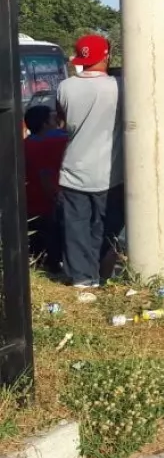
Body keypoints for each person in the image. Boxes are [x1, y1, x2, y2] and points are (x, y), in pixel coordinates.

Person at [56, 34, 124, 289]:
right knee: (105, 228)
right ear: (106, 56)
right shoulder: (119, 86)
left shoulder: (65, 87)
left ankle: (82, 280)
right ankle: (100, 273)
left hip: (74, 170)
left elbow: (62, 121)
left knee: (76, 229)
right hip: (110, 173)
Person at [24, 105, 68, 273]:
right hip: (47, 199)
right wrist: (55, 195)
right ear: (44, 124)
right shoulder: (52, 142)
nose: (55, 121)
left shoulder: (25, 144)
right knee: (53, 239)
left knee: (36, 240)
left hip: (30, 200)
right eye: (52, 118)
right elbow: (46, 176)